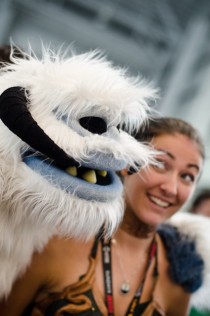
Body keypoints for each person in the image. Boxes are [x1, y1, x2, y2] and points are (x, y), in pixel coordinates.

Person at [0, 116, 206, 316]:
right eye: (159, 164)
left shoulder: (181, 276)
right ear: (126, 163)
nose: (171, 188)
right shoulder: (55, 238)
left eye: (187, 176)